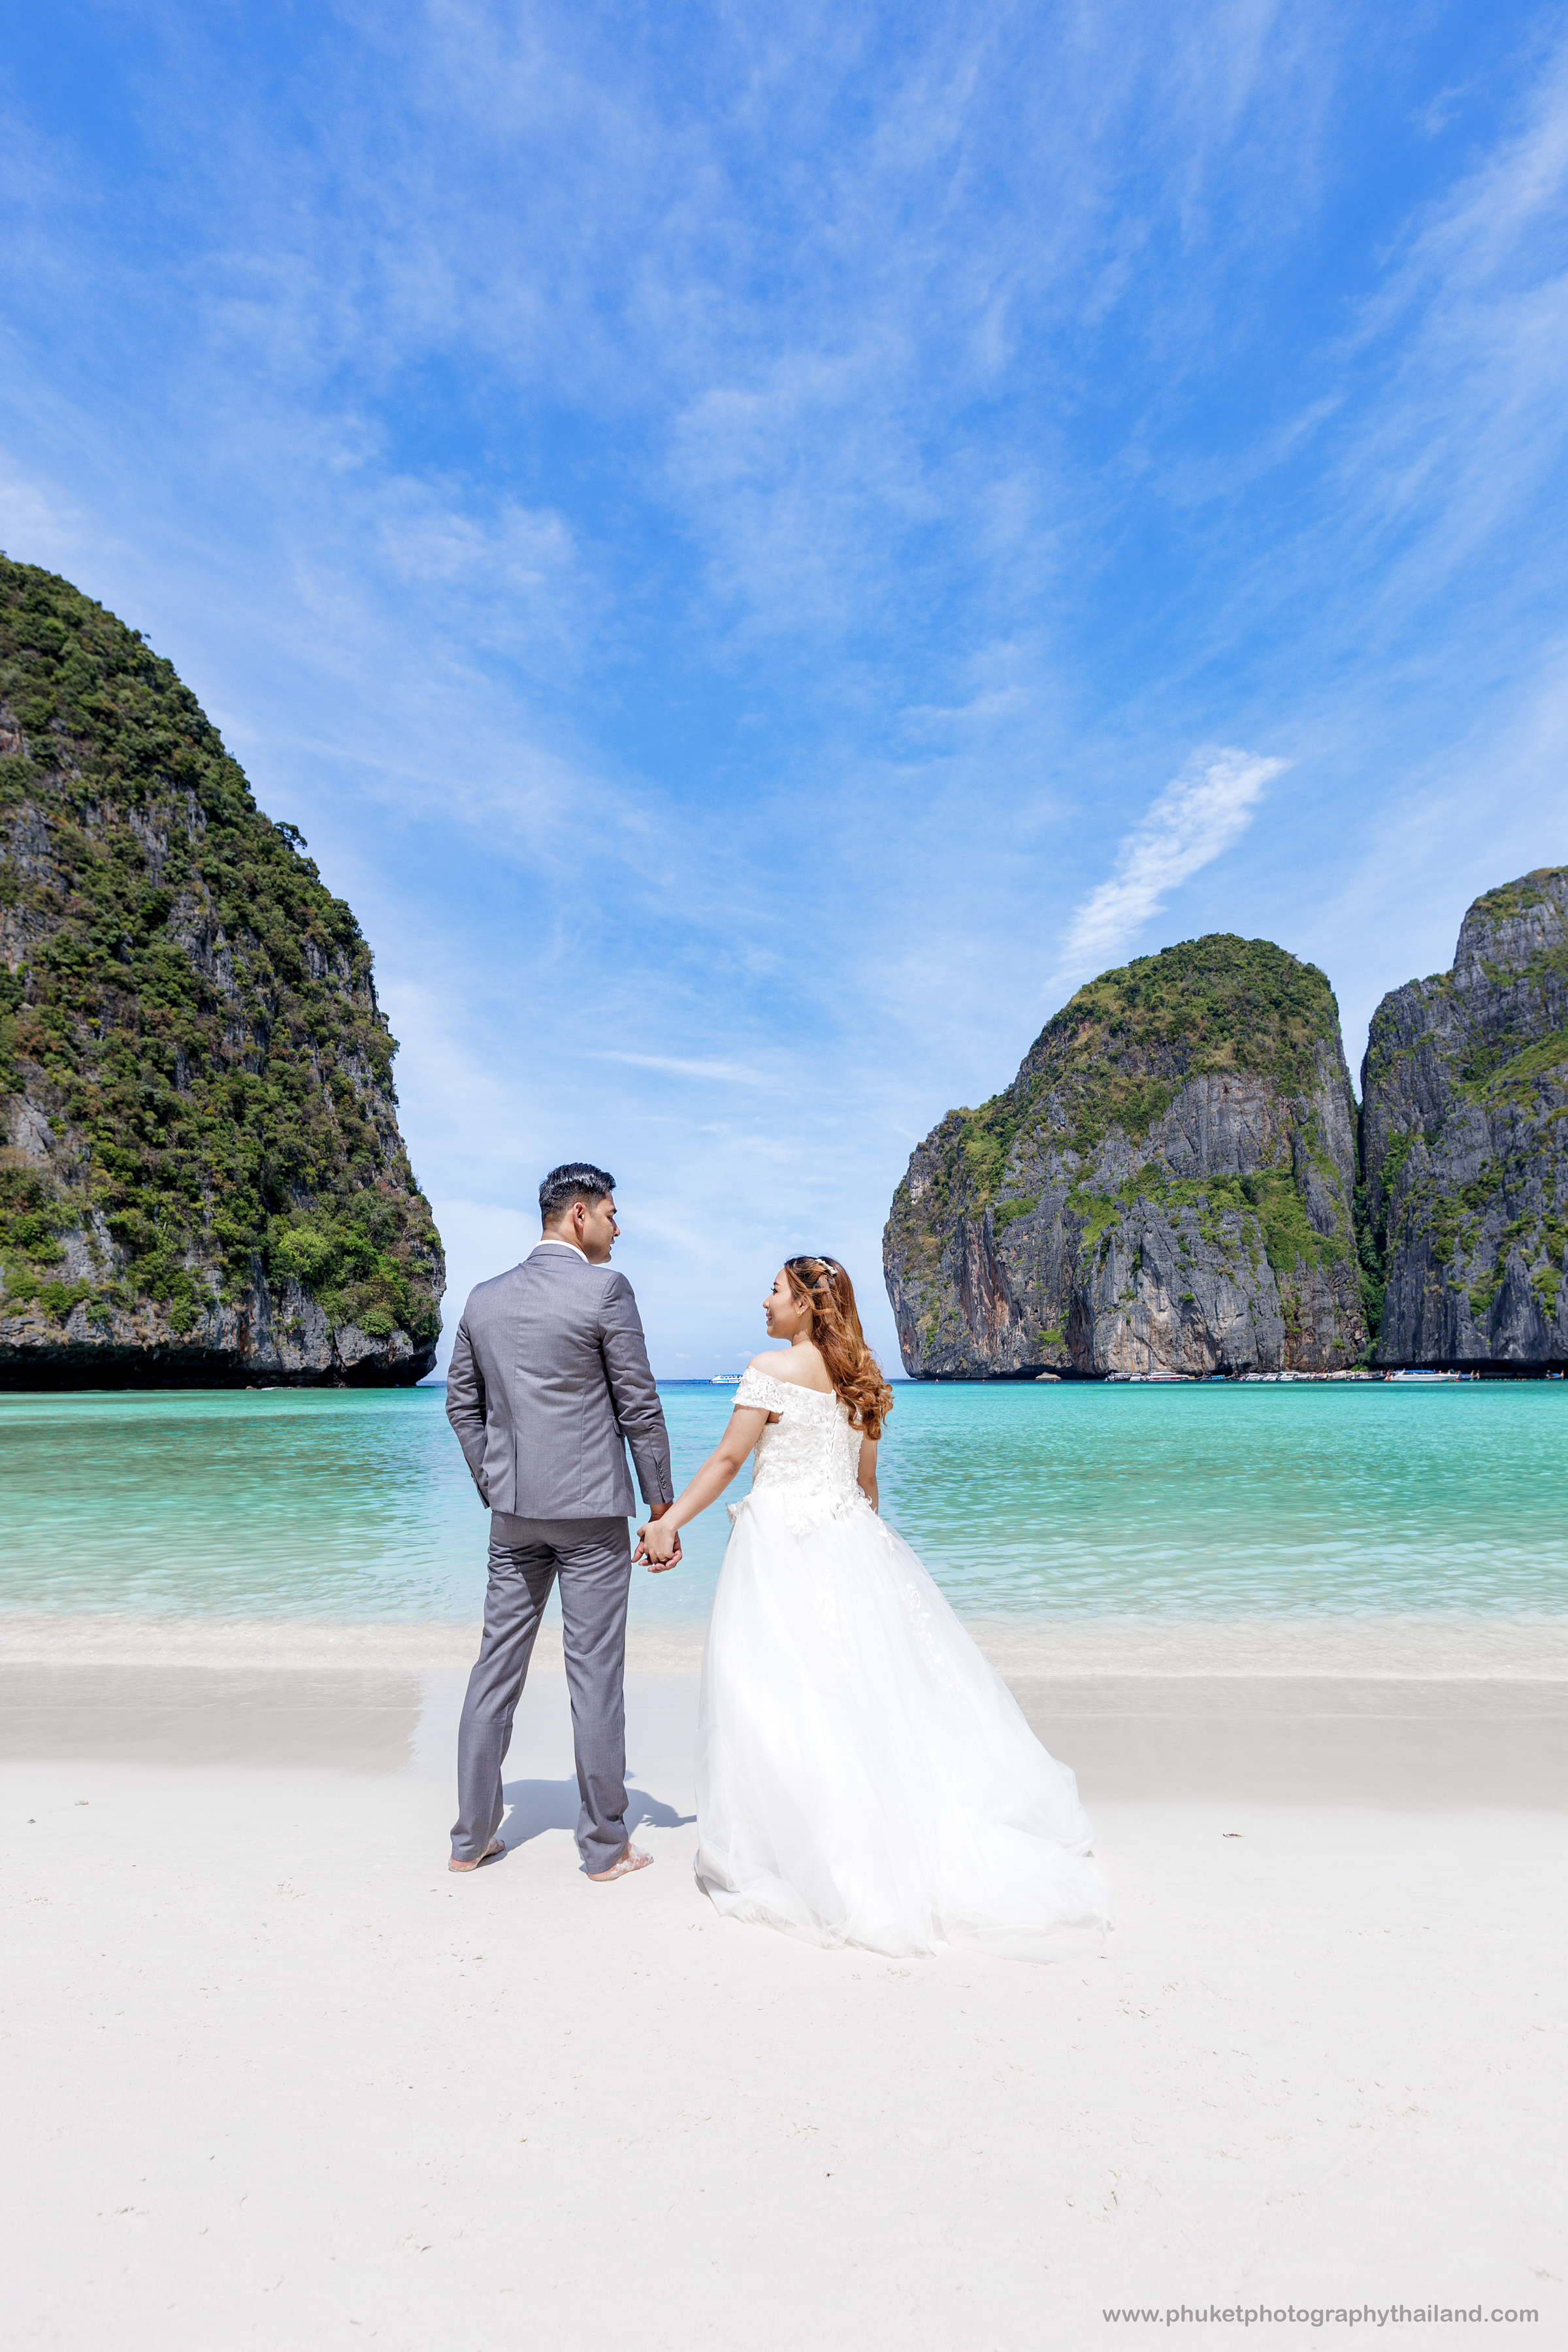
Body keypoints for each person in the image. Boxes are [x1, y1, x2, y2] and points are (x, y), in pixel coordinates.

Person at [636, 1256, 1109, 1958]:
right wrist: (868, 1563)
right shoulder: (864, 1384)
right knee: (859, 1695)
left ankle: (797, 1847)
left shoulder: (771, 1369)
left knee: (777, 1695)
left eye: (775, 1291)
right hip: (849, 1544)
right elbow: (866, 1487)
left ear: (805, 1306)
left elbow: (729, 1462)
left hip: (782, 1548)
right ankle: (875, 1831)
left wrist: (669, 1521)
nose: (763, 1303)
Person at [446, 1163, 679, 1881]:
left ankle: (470, 1841)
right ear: (579, 1214)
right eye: (612, 1212)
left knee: (494, 1672)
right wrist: (662, 1506)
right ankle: (605, 1850)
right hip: (589, 1514)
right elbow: (638, 1404)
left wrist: (496, 1481)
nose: (618, 1226)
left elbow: (461, 1404)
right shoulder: (606, 1289)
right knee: (595, 1678)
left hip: (514, 1515)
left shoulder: (483, 1299)